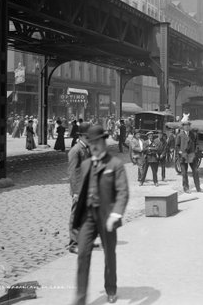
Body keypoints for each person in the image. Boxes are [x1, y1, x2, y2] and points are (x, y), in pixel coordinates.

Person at [72, 124, 129, 304]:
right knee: (82, 254)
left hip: (107, 216)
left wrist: (116, 214)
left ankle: (111, 288)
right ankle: (80, 298)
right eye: (91, 142)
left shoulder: (116, 164)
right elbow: (82, 190)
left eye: (97, 142)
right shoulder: (86, 164)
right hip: (88, 216)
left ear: (104, 142)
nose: (94, 146)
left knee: (109, 254)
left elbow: (122, 192)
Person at [67, 122, 91, 254]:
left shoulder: (86, 149)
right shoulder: (75, 151)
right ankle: (73, 244)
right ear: (81, 136)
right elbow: (72, 173)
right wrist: (76, 192)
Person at [175, 120, 202, 194]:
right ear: (183, 127)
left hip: (191, 155)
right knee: (184, 173)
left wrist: (195, 151)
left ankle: (198, 188)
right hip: (183, 156)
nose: (187, 127)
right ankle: (186, 188)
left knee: (195, 171)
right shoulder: (180, 135)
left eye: (188, 125)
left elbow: (197, 144)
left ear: (189, 126)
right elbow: (177, 146)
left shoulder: (194, 135)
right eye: (185, 125)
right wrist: (180, 152)